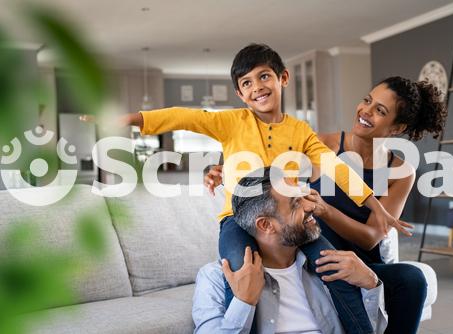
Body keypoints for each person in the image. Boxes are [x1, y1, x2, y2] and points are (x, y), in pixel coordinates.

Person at [103, 43, 412, 334]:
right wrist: (131, 119)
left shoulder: (300, 131)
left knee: (334, 269)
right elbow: (185, 117)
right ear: (239, 93)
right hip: (237, 220)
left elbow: (336, 168)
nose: (257, 86)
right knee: (238, 273)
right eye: (247, 83)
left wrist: (375, 205)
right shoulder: (232, 122)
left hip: (288, 219)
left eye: (264, 76)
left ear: (283, 78)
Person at [205, 76, 447, 334]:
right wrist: (222, 170)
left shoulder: (401, 171)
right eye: (367, 100)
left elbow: (370, 239)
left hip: (362, 262)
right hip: (313, 257)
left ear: (397, 128)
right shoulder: (321, 144)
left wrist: (324, 210)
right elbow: (268, 174)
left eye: (380, 111)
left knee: (412, 279)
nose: (366, 111)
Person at [192, 168, 388, 334]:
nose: (311, 206)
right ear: (266, 225)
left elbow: (373, 329)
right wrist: (244, 301)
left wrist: (371, 283)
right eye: (296, 204)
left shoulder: (330, 267)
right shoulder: (215, 277)